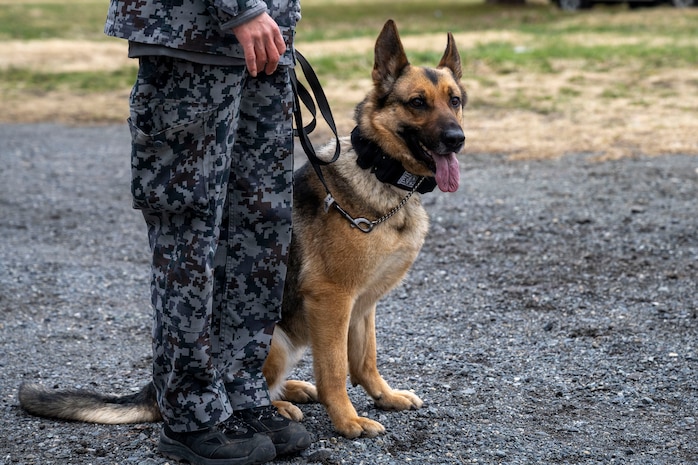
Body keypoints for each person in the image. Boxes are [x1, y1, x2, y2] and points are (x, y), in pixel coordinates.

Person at [104, 1, 310, 464]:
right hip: (192, 38)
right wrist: (241, 9)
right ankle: (190, 408)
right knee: (189, 231)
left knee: (258, 223)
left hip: (265, 41)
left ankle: (240, 387)